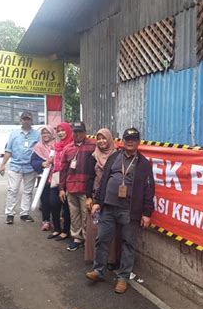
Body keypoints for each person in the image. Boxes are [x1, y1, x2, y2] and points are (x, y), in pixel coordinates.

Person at [86, 128, 155, 294]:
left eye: (133, 139)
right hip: (108, 206)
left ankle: (123, 278)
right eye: (127, 139)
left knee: (128, 244)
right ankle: (99, 271)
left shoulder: (144, 164)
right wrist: (97, 202)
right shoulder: (114, 157)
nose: (130, 141)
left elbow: (149, 189)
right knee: (102, 239)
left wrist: (147, 213)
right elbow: (103, 181)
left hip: (130, 211)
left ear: (138, 142)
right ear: (122, 141)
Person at [85, 128, 120, 266]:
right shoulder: (93, 156)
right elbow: (89, 177)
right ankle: (95, 259)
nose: (101, 141)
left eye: (104, 138)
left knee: (110, 229)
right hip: (95, 196)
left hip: (111, 198)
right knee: (94, 228)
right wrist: (88, 197)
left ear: (110, 139)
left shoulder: (118, 156)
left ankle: (110, 259)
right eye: (98, 138)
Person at [59, 121, 95, 251]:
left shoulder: (93, 146)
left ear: (85, 132)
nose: (78, 134)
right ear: (72, 133)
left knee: (86, 215)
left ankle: (87, 240)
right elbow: (63, 170)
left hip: (86, 189)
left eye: (80, 131)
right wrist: (61, 189)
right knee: (74, 215)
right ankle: (76, 238)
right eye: (75, 132)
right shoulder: (68, 149)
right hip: (71, 188)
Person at [0, 111, 40, 224]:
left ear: (31, 120)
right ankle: (10, 214)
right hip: (15, 166)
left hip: (30, 168)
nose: (26, 121)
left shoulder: (37, 135)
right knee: (12, 190)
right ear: (20, 120)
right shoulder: (14, 134)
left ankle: (24, 214)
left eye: (28, 119)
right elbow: (9, 150)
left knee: (28, 191)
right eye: (24, 119)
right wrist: (3, 164)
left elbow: (40, 150)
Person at [47, 122, 73, 241]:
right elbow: (52, 161)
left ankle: (65, 231)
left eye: (63, 130)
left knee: (66, 205)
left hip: (67, 178)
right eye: (59, 131)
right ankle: (57, 229)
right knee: (53, 203)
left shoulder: (73, 145)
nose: (61, 133)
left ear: (68, 131)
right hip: (56, 176)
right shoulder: (56, 146)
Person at [30, 125, 56, 231]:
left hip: (56, 178)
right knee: (45, 200)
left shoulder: (57, 145)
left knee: (54, 201)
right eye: (43, 133)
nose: (45, 135)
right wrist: (42, 163)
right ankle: (46, 221)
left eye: (47, 133)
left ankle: (56, 221)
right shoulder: (38, 146)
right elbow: (33, 161)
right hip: (44, 179)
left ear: (52, 134)